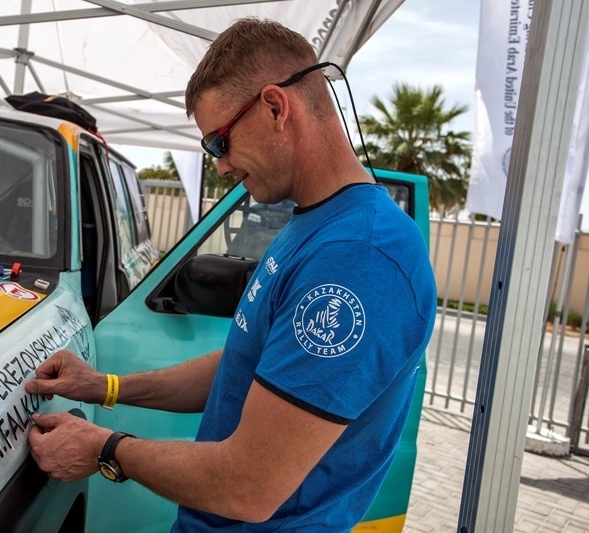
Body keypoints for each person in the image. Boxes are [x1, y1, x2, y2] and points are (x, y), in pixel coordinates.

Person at [25, 17, 437, 531]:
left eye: (219, 143)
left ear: (275, 107)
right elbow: (245, 364)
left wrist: (104, 448)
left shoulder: (360, 257)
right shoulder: (315, 223)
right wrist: (104, 386)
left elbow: (249, 486)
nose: (219, 166)